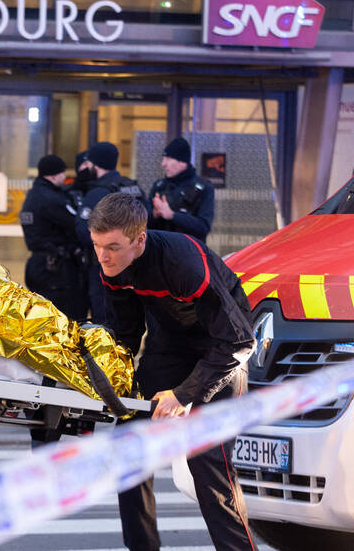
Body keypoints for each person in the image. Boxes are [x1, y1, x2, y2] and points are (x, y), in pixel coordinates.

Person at [88, 193, 256, 551]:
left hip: (221, 348)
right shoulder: (113, 267)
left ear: (140, 240)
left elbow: (239, 342)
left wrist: (184, 395)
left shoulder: (184, 263)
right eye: (97, 245)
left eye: (113, 247)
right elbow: (127, 335)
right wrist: (102, 383)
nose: (103, 256)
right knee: (129, 447)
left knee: (206, 459)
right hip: (170, 345)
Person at [74, 141, 145, 324]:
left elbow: (83, 231)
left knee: (104, 321)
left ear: (95, 164)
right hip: (136, 268)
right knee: (130, 321)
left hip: (106, 269)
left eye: (88, 163)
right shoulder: (133, 188)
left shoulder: (98, 193)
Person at [21, 154, 88, 323]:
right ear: (53, 175)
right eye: (63, 173)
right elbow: (75, 223)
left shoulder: (33, 194)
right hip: (54, 268)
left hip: (37, 264)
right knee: (64, 318)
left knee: (43, 317)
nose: (65, 177)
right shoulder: (51, 199)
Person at [147, 137, 215, 241]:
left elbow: (203, 227)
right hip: (160, 252)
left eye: (168, 159)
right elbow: (143, 226)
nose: (163, 164)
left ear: (183, 162)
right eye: (163, 159)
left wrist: (173, 215)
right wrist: (154, 215)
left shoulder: (204, 187)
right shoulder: (159, 186)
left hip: (189, 253)